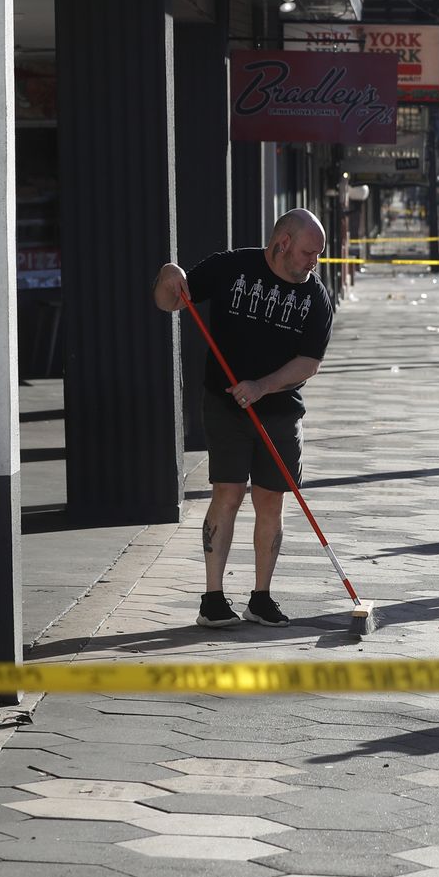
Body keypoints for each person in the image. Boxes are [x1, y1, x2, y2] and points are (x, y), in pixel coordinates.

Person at [152, 210, 335, 629]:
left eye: (318, 255)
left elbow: (309, 362)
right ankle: (213, 599)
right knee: (228, 493)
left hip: (280, 410)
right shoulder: (230, 268)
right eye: (308, 252)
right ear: (283, 242)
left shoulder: (314, 298)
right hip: (225, 404)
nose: (314, 263)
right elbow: (170, 303)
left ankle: (261, 598)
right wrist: (166, 276)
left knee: (271, 500)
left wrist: (262, 386)